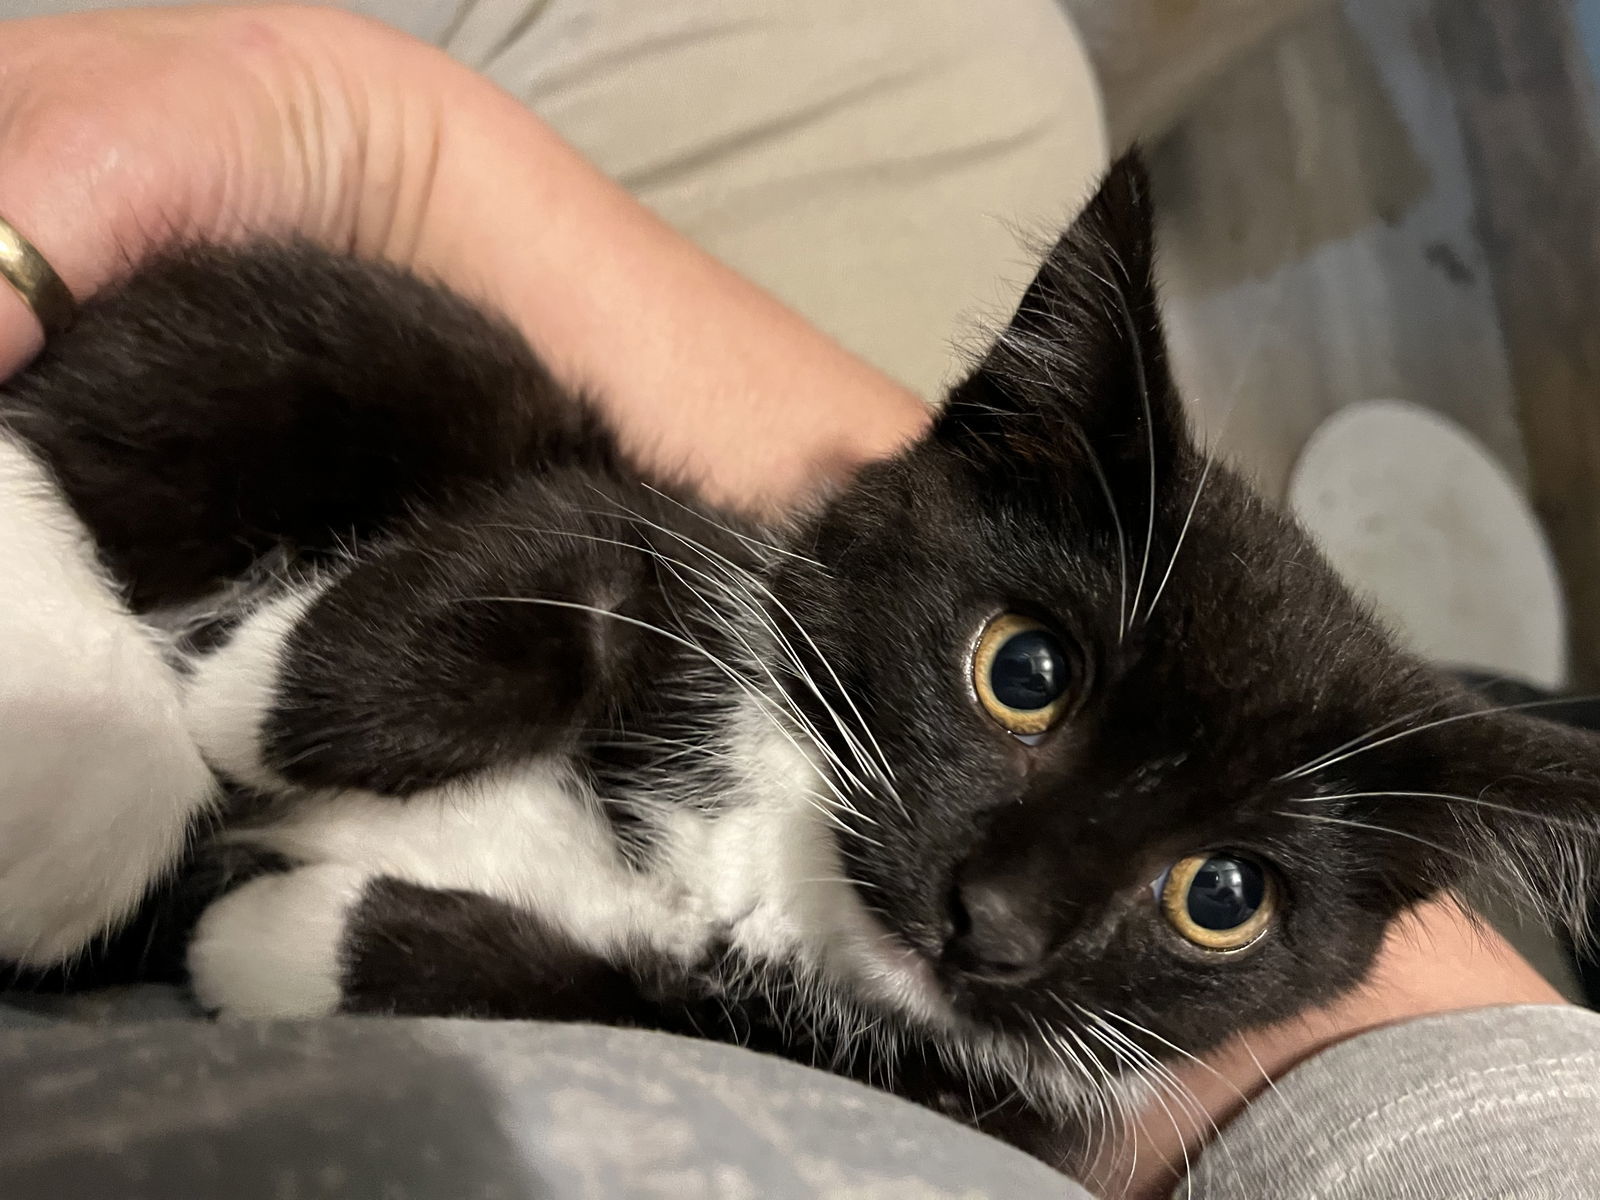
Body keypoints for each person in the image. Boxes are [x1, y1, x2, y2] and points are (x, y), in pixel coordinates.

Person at [1, 6, 1598, 1199]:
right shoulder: (656, 606)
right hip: (188, 549)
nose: (1006, 921)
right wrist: (377, 144)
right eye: (1024, 676)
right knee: (984, 59)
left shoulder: (978, 1097)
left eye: (1218, 900)